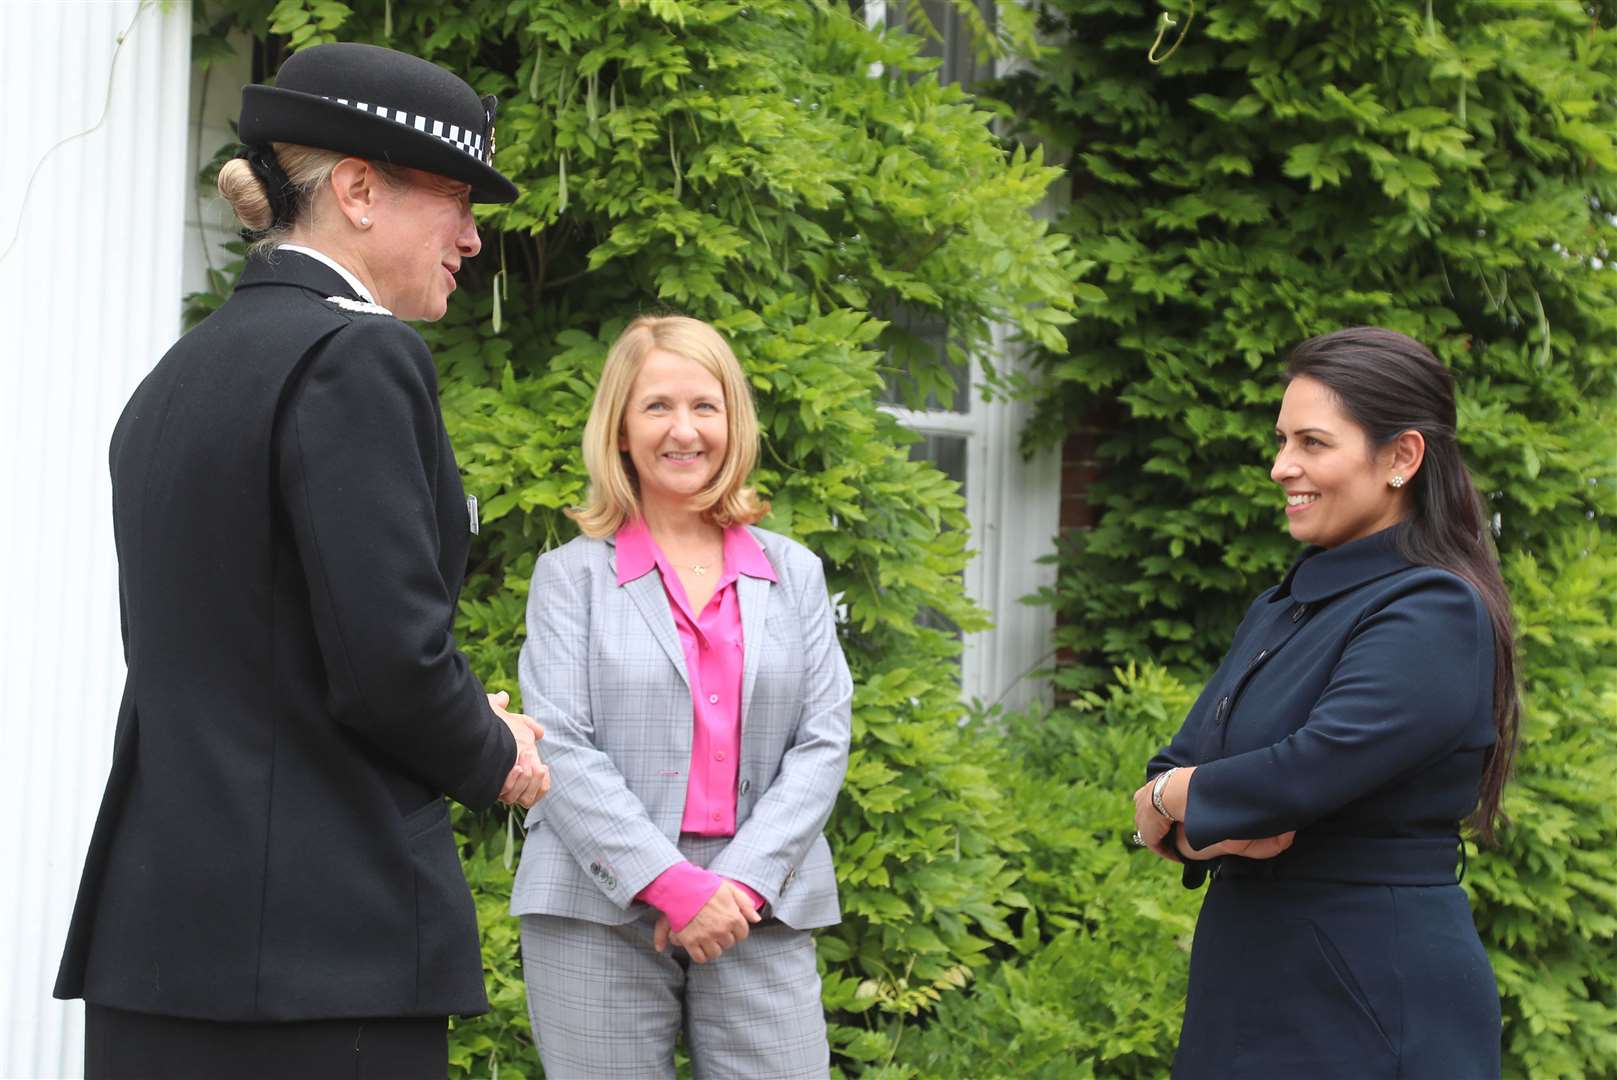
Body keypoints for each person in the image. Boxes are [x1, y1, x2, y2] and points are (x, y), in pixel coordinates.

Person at [54, 42, 550, 1079]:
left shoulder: (178, 374)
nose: (470, 237)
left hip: (158, 951)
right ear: (361, 191)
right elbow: (389, 664)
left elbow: (251, 654)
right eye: (456, 200)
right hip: (321, 965)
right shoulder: (357, 356)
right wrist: (496, 750)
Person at [1131, 326, 1517, 1079]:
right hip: (1249, 971)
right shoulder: (1285, 604)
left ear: (1401, 457)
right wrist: (1193, 804)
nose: (1281, 467)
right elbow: (1181, 761)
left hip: (1364, 986)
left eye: (1312, 442)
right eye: (1280, 440)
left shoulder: (1431, 608)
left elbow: (1304, 770)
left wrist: (1183, 798)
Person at [508, 315, 852, 1078]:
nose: (684, 430)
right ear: (621, 430)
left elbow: (823, 740)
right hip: (597, 903)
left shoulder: (792, 572)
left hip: (756, 902)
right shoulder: (570, 579)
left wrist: (736, 886)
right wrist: (671, 886)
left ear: (733, 421)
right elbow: (559, 741)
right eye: (657, 406)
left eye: (705, 406)